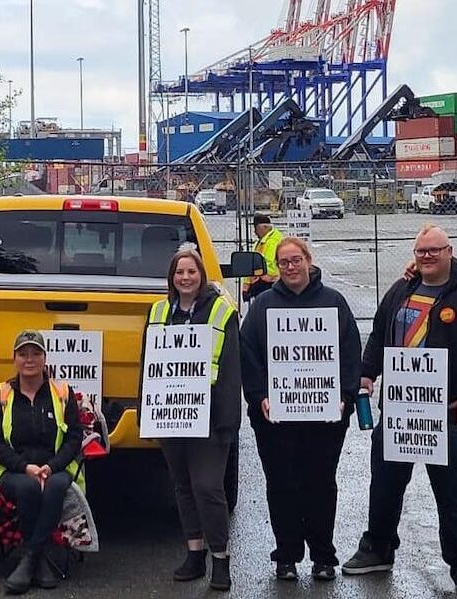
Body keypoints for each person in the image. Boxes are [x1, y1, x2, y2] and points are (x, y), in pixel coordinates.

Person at [341, 225, 457, 599]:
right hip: (398, 411)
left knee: (453, 493)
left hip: (446, 415)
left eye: (434, 251)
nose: (427, 257)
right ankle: (378, 548)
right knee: (384, 485)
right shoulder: (402, 289)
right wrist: (367, 374)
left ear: (450, 252)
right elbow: (380, 332)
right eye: (421, 251)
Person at [240, 236, 361, 582]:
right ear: (277, 268)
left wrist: (346, 397)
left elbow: (350, 353)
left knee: (321, 484)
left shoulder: (333, 302)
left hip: (324, 417)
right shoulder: (262, 305)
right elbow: (249, 355)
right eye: (284, 263)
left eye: (296, 260)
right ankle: (287, 556)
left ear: (308, 260)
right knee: (282, 485)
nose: (290, 267)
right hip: (275, 418)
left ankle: (324, 557)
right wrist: (260, 395)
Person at [143, 246, 240, 591]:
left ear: (202, 276)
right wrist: (149, 415)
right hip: (171, 416)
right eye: (179, 273)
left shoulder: (221, 311)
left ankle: (220, 558)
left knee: (208, 487)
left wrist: (227, 420)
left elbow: (231, 369)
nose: (185, 278)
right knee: (182, 486)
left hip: (211, 419)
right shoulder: (157, 311)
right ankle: (194, 553)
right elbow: (149, 367)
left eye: (191, 272)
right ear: (171, 278)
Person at [0, 330, 83, 595]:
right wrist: (25, 468)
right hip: (13, 469)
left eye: (35, 353)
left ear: (45, 358)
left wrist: (51, 467)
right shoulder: (0, 395)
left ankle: (29, 558)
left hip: (56, 468)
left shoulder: (63, 392)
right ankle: (38, 560)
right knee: (28, 487)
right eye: (23, 354)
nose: (29, 359)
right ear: (14, 359)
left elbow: (75, 438)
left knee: (54, 487)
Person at [242, 214, 282, 302]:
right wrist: (247, 285)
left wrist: (250, 284)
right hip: (264, 284)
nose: (255, 232)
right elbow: (254, 263)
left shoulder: (272, 241)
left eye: (256, 229)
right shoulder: (264, 241)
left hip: (268, 284)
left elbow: (266, 264)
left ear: (262, 227)